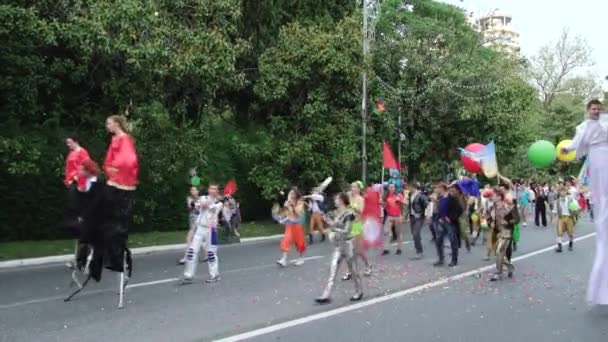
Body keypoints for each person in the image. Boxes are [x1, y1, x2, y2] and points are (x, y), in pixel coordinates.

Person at [563, 99, 608, 304]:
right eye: (593, 109)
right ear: (588, 110)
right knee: (601, 190)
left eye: (599, 108)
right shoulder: (583, 127)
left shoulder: (607, 121)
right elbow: (576, 142)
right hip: (597, 157)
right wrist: (567, 150)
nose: (596, 111)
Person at [103, 115, 138, 291]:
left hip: (123, 187)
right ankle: (110, 258)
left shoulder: (125, 139)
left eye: (109, 123)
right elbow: (107, 162)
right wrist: (111, 169)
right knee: (107, 222)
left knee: (118, 225)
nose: (107, 126)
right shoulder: (114, 139)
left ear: (116, 123)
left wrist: (115, 168)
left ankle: (119, 260)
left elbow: (129, 161)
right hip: (114, 184)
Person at [315, 193, 363, 304]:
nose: (334, 201)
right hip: (339, 245)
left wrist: (333, 229)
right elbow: (335, 225)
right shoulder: (337, 213)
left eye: (336, 199)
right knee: (333, 269)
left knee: (353, 270)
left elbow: (346, 230)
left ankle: (359, 291)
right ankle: (326, 295)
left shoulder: (349, 213)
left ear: (341, 200)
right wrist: (328, 221)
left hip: (348, 245)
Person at [183, 183, 223, 283]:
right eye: (211, 188)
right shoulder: (203, 198)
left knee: (211, 253)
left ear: (217, 191)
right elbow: (197, 205)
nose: (213, 190)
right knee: (192, 251)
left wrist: (208, 203)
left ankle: (214, 275)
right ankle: (188, 274)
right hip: (200, 228)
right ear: (208, 190)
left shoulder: (219, 203)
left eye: (215, 189)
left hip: (212, 229)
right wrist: (198, 202)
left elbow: (212, 207)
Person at [343, 181, 372, 280]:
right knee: (348, 249)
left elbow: (361, 210)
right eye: (352, 187)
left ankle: (368, 266)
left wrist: (353, 207)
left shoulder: (360, 199)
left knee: (359, 250)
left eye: (355, 187)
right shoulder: (349, 197)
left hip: (357, 225)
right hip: (348, 225)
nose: (353, 189)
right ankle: (349, 271)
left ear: (359, 189)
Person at [273, 188, 307, 267]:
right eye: (290, 193)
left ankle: (301, 258)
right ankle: (283, 259)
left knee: (300, 242)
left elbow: (298, 214)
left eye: (292, 193)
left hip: (298, 225)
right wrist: (283, 220)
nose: (290, 195)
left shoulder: (300, 202)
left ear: (296, 195)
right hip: (289, 225)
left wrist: (292, 205)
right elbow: (288, 214)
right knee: (286, 240)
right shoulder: (287, 202)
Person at [490, 189, 519, 281]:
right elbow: (487, 217)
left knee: (499, 251)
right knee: (497, 252)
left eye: (494, 195)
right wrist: (490, 222)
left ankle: (498, 273)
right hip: (496, 232)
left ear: (499, 197)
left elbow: (517, 219)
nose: (492, 197)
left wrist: (507, 222)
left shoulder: (508, 207)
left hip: (506, 232)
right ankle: (509, 266)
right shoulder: (492, 208)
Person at [433, 184, 463, 267]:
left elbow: (459, 209)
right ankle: (441, 259)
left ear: (442, 188)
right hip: (441, 222)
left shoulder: (451, 198)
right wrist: (439, 217)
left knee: (453, 241)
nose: (435, 190)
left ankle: (454, 260)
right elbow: (440, 209)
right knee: (438, 240)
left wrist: (451, 218)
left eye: (437, 188)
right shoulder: (440, 198)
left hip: (450, 223)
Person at [177, 187, 207, 265]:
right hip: (192, 220)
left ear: (198, 191)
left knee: (189, 238)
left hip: (198, 221)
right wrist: (194, 203)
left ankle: (187, 257)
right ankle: (208, 255)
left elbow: (204, 208)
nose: (192, 191)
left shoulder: (202, 198)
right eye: (191, 190)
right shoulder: (189, 198)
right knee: (198, 239)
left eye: (194, 190)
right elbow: (190, 206)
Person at [382, 183, 405, 255]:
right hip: (390, 216)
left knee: (398, 233)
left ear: (395, 188)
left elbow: (405, 203)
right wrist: (383, 204)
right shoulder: (386, 196)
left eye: (393, 187)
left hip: (398, 216)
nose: (391, 188)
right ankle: (386, 249)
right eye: (390, 187)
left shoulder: (399, 195)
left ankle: (399, 249)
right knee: (386, 232)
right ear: (388, 188)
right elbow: (385, 206)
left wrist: (400, 201)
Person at [408, 182, 428, 259]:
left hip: (419, 217)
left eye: (409, 187)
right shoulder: (410, 195)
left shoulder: (420, 195)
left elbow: (426, 205)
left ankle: (419, 252)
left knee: (416, 234)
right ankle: (418, 246)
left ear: (413, 187)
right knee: (414, 234)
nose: (408, 188)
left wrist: (423, 214)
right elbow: (410, 205)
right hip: (412, 216)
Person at [553, 185, 576, 253]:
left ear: (566, 192)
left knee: (570, 233)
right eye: (561, 191)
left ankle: (570, 244)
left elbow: (576, 208)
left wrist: (576, 213)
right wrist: (554, 219)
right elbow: (555, 211)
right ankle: (559, 247)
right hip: (561, 218)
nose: (563, 192)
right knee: (559, 232)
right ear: (559, 192)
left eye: (564, 191)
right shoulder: (557, 201)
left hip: (569, 218)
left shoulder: (570, 199)